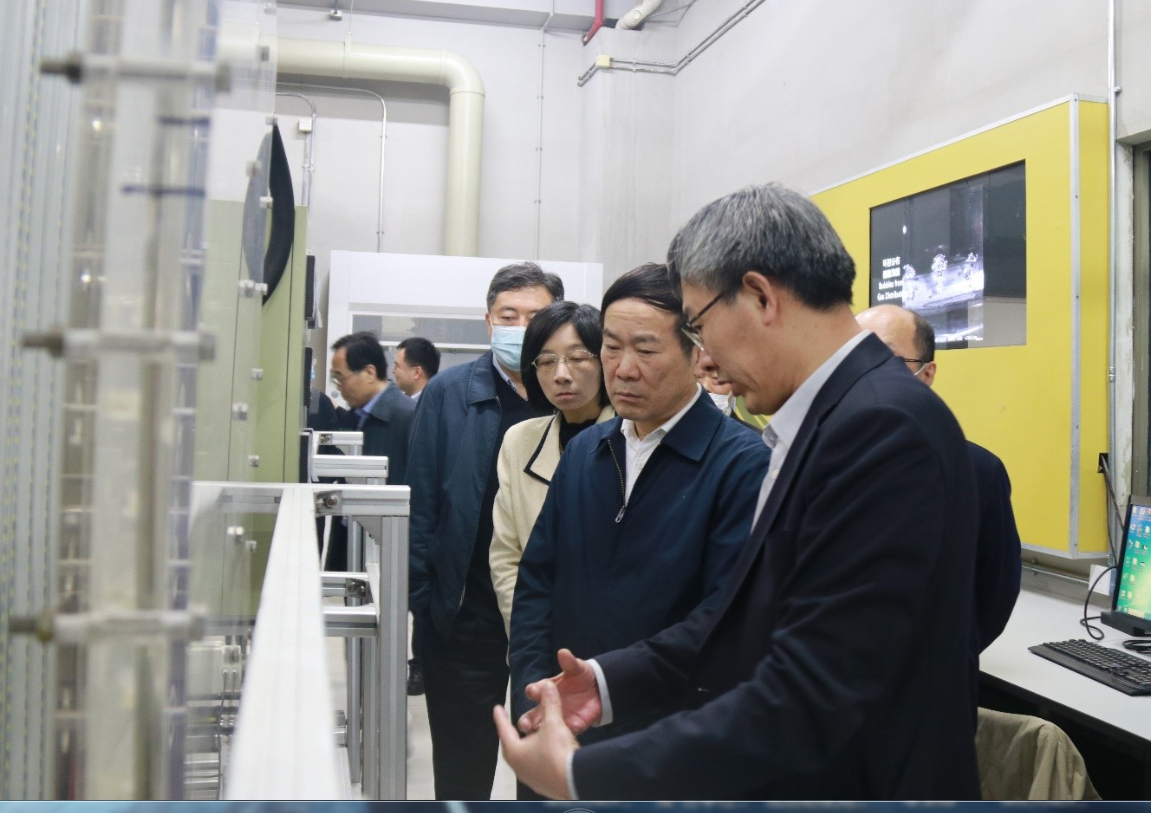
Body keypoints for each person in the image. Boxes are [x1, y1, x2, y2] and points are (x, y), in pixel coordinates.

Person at [494, 183, 982, 800]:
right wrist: (606, 681)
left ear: (759, 296)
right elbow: (745, 623)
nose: (709, 359)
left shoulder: (879, 426)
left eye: (699, 327)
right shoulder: (838, 416)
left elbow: (810, 691)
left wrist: (584, 775)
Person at [508, 264, 771, 744]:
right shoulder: (586, 451)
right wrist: (533, 697)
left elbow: (722, 620)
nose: (623, 369)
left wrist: (604, 687)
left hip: (665, 741)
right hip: (559, 720)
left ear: (697, 351)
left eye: (646, 350)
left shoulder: (743, 464)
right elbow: (536, 582)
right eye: (611, 348)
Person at [407, 261, 563, 800]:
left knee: (544, 772)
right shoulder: (448, 393)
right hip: (464, 615)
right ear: (488, 321)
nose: (520, 327)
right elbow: (422, 505)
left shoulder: (573, 393)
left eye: (535, 316)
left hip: (548, 621)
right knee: (461, 768)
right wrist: (425, 603)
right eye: (508, 315)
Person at [855, 303, 1022, 653]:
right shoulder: (819, 458)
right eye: (854, 358)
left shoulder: (978, 472)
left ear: (927, 374)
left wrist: (946, 659)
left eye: (886, 360)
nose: (865, 372)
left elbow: (995, 594)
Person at [489, 300, 615, 639]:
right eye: (546, 361)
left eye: (577, 358)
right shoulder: (520, 440)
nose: (561, 374)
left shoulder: (634, 438)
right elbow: (506, 556)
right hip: (535, 642)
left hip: (615, 646)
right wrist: (529, 639)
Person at [328, 332, 416, 572]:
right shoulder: (356, 417)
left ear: (369, 372)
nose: (339, 387)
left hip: (387, 550)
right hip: (351, 542)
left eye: (341, 377)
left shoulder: (408, 417)